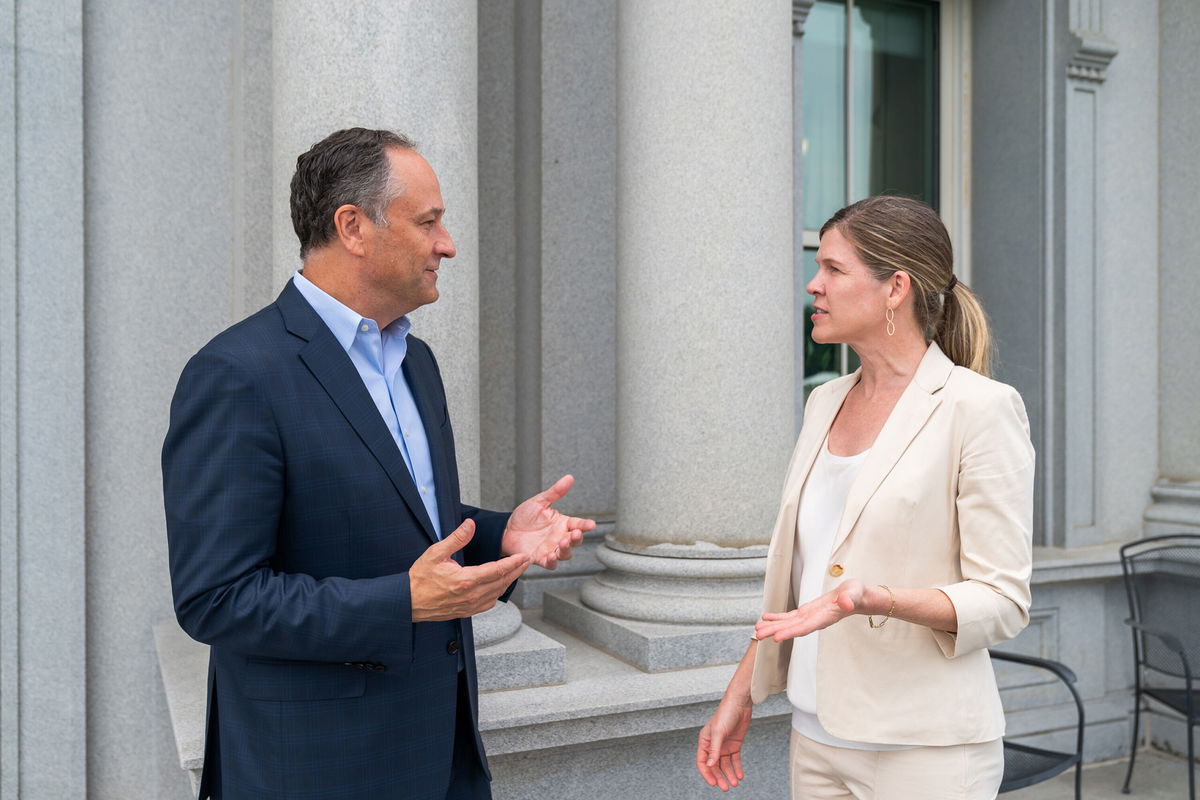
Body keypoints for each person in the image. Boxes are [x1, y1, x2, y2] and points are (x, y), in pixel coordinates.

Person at [163, 127, 595, 800]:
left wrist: (500, 534)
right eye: (429, 222)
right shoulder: (237, 374)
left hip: (441, 761)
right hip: (316, 773)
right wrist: (403, 603)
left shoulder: (415, 361)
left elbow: (397, 519)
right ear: (353, 226)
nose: (447, 243)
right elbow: (216, 599)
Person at [696, 196, 1034, 799]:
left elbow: (1002, 600)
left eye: (833, 269)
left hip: (927, 752)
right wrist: (740, 692)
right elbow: (798, 580)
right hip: (816, 739)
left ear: (894, 288)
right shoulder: (823, 401)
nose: (813, 284)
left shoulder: (980, 409)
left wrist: (870, 598)